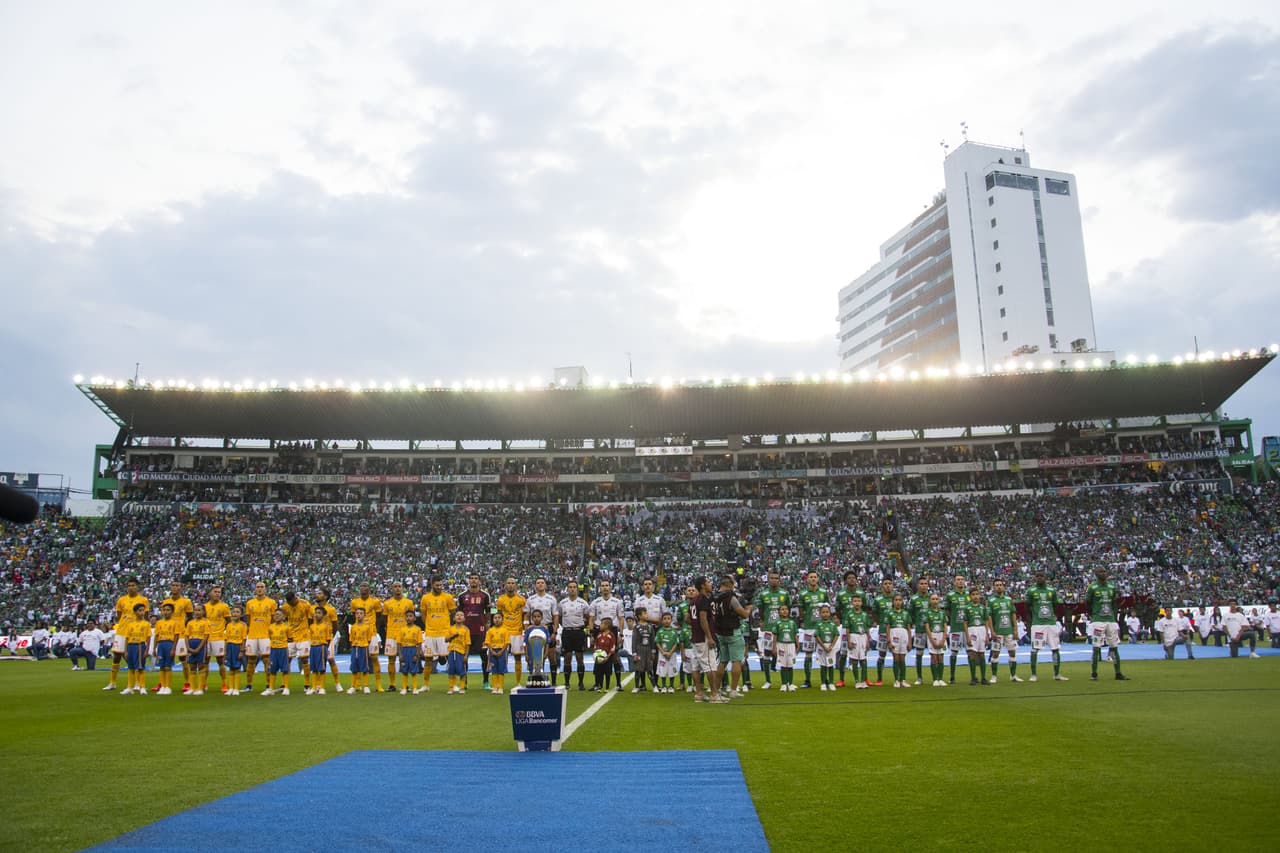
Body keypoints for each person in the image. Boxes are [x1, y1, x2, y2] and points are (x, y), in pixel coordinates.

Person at [103, 576, 148, 692]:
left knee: (135, 657)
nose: (131, 588)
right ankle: (112, 682)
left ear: (137, 587)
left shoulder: (143, 600)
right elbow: (119, 616)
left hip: (136, 633)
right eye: (129, 586)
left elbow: (145, 617)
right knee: (117, 656)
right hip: (122, 631)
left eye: (133, 585)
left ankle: (137, 683)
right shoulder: (121, 600)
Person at [711, 575, 753, 699]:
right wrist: (749, 610)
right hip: (732, 632)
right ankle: (733, 690)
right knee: (736, 661)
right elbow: (744, 614)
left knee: (722, 661)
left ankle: (716, 690)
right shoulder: (730, 597)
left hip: (720, 632)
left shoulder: (714, 597)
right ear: (729, 585)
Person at [1085, 569, 1129, 681]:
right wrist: (1092, 615)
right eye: (1101, 572)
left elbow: (1114, 602)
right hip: (1098, 621)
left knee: (1114, 647)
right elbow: (1087, 603)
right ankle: (1094, 673)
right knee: (1096, 647)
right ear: (1096, 574)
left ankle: (1118, 673)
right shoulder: (1092, 587)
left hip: (1110, 620)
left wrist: (1113, 615)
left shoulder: (1111, 587)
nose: (1103, 573)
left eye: (1105, 572)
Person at [1025, 570, 1067, 682]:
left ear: (1046, 577)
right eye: (1037, 576)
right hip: (1038, 624)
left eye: (1041, 576)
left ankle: (1057, 674)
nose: (1039, 578)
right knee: (1035, 649)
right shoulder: (1031, 591)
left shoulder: (1051, 591)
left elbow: (1055, 605)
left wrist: (1052, 616)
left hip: (1051, 624)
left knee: (1055, 648)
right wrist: (1032, 620)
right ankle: (1033, 674)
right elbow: (1027, 607)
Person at [754, 570, 791, 690]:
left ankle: (787, 682)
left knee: (785, 655)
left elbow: (788, 609)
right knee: (767, 654)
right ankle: (768, 681)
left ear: (779, 580)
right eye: (772, 578)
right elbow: (760, 610)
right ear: (768, 580)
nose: (774, 580)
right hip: (768, 629)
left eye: (776, 578)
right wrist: (762, 621)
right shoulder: (763, 594)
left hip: (782, 629)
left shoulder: (785, 594)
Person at [420, 576, 456, 691]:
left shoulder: (448, 597)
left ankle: (452, 685)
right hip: (430, 633)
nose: (439, 587)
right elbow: (423, 614)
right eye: (437, 585)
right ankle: (425, 685)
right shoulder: (425, 598)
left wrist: (449, 626)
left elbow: (453, 612)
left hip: (444, 632)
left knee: (450, 658)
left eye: (441, 585)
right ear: (432, 585)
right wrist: (429, 625)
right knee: (428, 659)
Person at [458, 574, 493, 690]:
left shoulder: (485, 595)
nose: (473, 580)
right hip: (466, 631)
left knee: (484, 656)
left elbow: (488, 613)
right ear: (469, 580)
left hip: (480, 630)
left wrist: (487, 625)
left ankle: (486, 682)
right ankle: (464, 682)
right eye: (471, 578)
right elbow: (459, 613)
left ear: (479, 581)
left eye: (476, 578)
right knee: (464, 657)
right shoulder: (462, 596)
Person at [243, 581, 278, 694]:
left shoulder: (271, 602)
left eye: (262, 587)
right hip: (252, 635)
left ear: (265, 589)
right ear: (255, 589)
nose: (259, 589)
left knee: (267, 660)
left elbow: (274, 619)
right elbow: (248, 619)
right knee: (251, 660)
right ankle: (249, 685)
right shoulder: (250, 603)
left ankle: (268, 685)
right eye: (258, 587)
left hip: (265, 635)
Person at [796, 571, 828, 689]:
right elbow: (801, 610)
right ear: (807, 579)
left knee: (824, 653)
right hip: (809, 628)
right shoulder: (803, 594)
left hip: (822, 627)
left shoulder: (824, 592)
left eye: (815, 577)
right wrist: (804, 621)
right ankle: (807, 680)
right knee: (808, 654)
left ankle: (825, 680)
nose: (813, 579)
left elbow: (827, 608)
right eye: (811, 577)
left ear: (818, 579)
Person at [160, 581, 194, 692]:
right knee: (164, 659)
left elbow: (190, 617)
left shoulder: (186, 601)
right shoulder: (166, 602)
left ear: (181, 587)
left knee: (183, 658)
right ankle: (162, 683)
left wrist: (183, 626)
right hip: (167, 634)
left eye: (177, 585)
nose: (175, 587)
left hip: (180, 633)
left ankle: (187, 682)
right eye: (173, 585)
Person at [556, 580, 590, 691]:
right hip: (567, 632)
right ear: (567, 589)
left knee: (580, 657)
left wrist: (582, 626)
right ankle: (567, 683)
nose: (572, 589)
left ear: (577, 589)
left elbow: (588, 617)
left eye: (574, 587)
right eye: (570, 587)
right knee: (567, 657)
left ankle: (581, 683)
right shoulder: (562, 603)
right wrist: (566, 625)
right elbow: (559, 618)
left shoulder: (583, 603)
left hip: (579, 632)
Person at [689, 578, 718, 702]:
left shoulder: (693, 600)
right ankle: (714, 694)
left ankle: (699, 694)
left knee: (695, 667)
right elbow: (703, 619)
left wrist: (695, 626)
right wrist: (710, 637)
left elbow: (687, 618)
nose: (710, 584)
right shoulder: (704, 599)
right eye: (708, 582)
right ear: (702, 585)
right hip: (704, 637)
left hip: (695, 637)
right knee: (710, 666)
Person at [350, 583, 384, 691]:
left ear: (369, 589)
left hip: (371, 633)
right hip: (359, 634)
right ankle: (357, 684)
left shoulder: (375, 601)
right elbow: (353, 615)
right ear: (359, 588)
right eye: (362, 586)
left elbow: (379, 616)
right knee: (357, 658)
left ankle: (378, 684)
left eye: (366, 586)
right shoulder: (354, 602)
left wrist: (374, 628)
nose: (364, 588)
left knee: (374, 658)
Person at [382, 582, 413, 693]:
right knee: (391, 659)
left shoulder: (409, 602)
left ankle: (405, 684)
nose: (397, 588)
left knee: (405, 659)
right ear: (392, 589)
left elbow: (411, 617)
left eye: (399, 586)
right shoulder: (387, 603)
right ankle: (392, 684)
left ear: (402, 588)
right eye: (395, 587)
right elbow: (385, 618)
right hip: (391, 634)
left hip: (405, 634)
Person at [987, 580, 1021, 683]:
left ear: (1003, 587)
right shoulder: (991, 600)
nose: (999, 587)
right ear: (994, 588)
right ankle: (994, 676)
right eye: (997, 585)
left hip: (1009, 631)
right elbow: (989, 617)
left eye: (1000, 585)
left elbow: (1013, 614)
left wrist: (1015, 630)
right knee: (995, 653)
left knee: (1012, 652)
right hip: (998, 632)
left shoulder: (1008, 599)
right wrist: (992, 631)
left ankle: (1013, 675)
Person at [281, 591, 314, 695]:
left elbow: (311, 619)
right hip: (291, 636)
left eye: (292, 602)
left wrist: (308, 630)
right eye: (289, 603)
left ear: (295, 598)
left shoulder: (305, 604)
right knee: (287, 660)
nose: (291, 604)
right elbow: (284, 619)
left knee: (304, 659)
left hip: (303, 636)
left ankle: (307, 684)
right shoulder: (285, 607)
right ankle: (284, 685)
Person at [496, 577, 527, 684]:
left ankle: (518, 683)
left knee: (517, 657)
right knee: (500, 657)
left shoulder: (521, 599)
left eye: (513, 583)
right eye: (508, 583)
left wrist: (524, 628)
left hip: (517, 631)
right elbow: (499, 615)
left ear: (515, 585)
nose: (510, 585)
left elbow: (525, 615)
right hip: (504, 631)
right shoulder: (501, 599)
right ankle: (499, 684)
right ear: (505, 585)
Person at [312, 587, 343, 693]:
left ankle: (337, 683)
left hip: (327, 638)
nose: (317, 595)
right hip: (316, 639)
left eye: (319, 593)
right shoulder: (313, 608)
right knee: (317, 661)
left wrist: (330, 636)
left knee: (330, 659)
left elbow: (335, 625)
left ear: (325, 596)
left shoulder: (331, 609)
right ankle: (317, 685)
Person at [204, 586, 232, 694]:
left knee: (220, 661)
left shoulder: (224, 606)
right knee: (205, 662)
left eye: (219, 592)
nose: (217, 594)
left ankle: (224, 683)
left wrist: (226, 633)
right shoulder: (205, 607)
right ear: (210, 593)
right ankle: (203, 683)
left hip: (219, 637)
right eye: (215, 591)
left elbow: (229, 621)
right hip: (206, 637)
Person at [120, 603, 150, 696]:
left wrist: (147, 650)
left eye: (143, 610)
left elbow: (148, 638)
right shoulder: (130, 624)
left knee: (140, 667)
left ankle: (142, 687)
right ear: (135, 612)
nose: (142, 612)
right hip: (131, 646)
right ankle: (130, 687)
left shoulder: (146, 624)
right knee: (131, 667)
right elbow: (127, 638)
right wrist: (125, 651)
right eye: (140, 610)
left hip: (140, 646)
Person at [871, 578, 896, 687]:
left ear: (892, 585)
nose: (888, 585)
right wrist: (879, 623)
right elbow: (874, 614)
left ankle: (898, 679)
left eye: (890, 583)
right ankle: (879, 679)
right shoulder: (878, 600)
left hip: (895, 631)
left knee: (897, 655)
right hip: (882, 631)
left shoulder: (896, 598)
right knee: (882, 654)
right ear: (882, 586)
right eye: (885, 584)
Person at [884, 593, 913, 688]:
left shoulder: (906, 613)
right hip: (894, 634)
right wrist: (888, 640)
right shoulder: (889, 613)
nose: (898, 602)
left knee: (902, 658)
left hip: (904, 635)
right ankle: (896, 680)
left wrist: (910, 641)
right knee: (896, 657)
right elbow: (887, 627)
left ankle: (903, 679)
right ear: (893, 602)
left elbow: (909, 628)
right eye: (896, 600)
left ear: (902, 602)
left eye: (900, 600)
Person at [963, 590, 991, 686]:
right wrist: (967, 636)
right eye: (973, 594)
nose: (975, 596)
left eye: (977, 594)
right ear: (970, 596)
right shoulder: (967, 608)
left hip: (982, 629)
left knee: (982, 654)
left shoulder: (983, 608)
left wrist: (987, 635)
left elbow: (986, 621)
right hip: (972, 630)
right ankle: (973, 678)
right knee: (972, 654)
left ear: (979, 596)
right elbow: (965, 623)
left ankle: (983, 678)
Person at [944, 575, 968, 685]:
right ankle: (952, 676)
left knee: (971, 652)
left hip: (968, 629)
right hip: (955, 628)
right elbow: (947, 611)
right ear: (954, 582)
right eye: (958, 580)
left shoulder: (969, 594)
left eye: (962, 580)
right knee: (954, 652)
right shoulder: (950, 595)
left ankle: (973, 677)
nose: (960, 581)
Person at [770, 603, 799, 692]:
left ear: (789, 611)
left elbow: (795, 635)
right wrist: (774, 647)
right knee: (783, 665)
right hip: (781, 644)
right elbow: (775, 636)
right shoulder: (777, 623)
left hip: (791, 645)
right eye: (782, 609)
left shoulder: (792, 623)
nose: (784, 611)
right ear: (779, 612)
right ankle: (783, 684)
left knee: (790, 665)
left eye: (786, 609)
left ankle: (790, 684)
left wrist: (798, 644)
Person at [907, 578, 932, 686]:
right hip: (920, 630)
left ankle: (936, 678)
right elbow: (909, 614)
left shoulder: (932, 598)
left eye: (925, 583)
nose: (924, 585)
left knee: (934, 654)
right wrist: (913, 623)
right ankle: (919, 677)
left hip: (932, 631)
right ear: (918, 586)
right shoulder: (913, 599)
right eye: (921, 584)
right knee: (919, 653)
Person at [152, 603, 179, 695]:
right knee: (161, 666)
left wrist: (173, 649)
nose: (166, 612)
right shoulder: (159, 623)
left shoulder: (174, 623)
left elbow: (176, 636)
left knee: (168, 666)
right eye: (164, 610)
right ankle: (162, 686)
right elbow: (156, 636)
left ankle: (167, 686)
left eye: (168, 610)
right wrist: (154, 648)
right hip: (161, 644)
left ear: (172, 611)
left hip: (169, 644)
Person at [263, 609, 291, 696]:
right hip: (273, 650)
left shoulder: (286, 627)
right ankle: (271, 688)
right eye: (275, 614)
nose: (276, 616)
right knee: (272, 669)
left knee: (285, 669)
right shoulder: (270, 627)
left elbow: (290, 638)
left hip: (283, 649)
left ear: (283, 617)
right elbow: (270, 637)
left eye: (279, 614)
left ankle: (286, 688)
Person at [813, 604, 840, 691]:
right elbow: (817, 636)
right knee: (823, 665)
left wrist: (831, 646)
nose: (825, 614)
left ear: (830, 613)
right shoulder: (818, 624)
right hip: (822, 647)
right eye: (823, 612)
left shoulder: (832, 624)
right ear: (820, 614)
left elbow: (836, 635)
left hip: (830, 646)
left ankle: (831, 683)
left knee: (831, 665)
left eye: (827, 612)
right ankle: (823, 683)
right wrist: (823, 646)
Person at [398, 608, 425, 695]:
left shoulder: (417, 629)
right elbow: (399, 643)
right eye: (407, 616)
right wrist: (400, 654)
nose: (409, 618)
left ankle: (414, 688)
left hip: (413, 649)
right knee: (404, 670)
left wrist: (417, 654)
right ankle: (404, 688)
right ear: (405, 618)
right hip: (404, 650)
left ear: (414, 618)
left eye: (411, 616)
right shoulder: (402, 629)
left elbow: (419, 642)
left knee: (414, 671)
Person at [185, 604, 210, 695]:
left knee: (201, 666)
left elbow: (206, 636)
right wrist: (188, 647)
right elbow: (186, 636)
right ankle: (192, 688)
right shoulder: (190, 623)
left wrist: (199, 648)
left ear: (203, 612)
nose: (197, 612)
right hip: (191, 643)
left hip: (201, 645)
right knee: (192, 666)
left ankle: (200, 688)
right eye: (195, 610)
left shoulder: (206, 622)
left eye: (199, 610)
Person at [924, 593, 949, 687]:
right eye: (933, 599)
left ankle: (940, 679)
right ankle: (935, 679)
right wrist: (931, 640)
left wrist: (943, 639)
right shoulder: (927, 613)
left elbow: (945, 626)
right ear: (930, 601)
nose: (935, 601)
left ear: (939, 600)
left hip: (941, 635)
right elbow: (927, 627)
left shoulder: (942, 613)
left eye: (936, 599)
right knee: (934, 657)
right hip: (933, 635)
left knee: (941, 657)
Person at [307, 607, 333, 694]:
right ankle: (314, 687)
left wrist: (325, 647)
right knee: (314, 668)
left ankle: (322, 687)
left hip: (321, 647)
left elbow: (328, 639)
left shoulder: (326, 626)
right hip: (313, 647)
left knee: (321, 668)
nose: (316, 615)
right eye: (316, 613)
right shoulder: (312, 626)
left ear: (323, 615)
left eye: (319, 613)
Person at [631, 606, 656, 692]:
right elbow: (634, 641)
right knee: (638, 669)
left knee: (650, 669)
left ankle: (654, 687)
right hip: (639, 650)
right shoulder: (636, 627)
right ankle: (636, 686)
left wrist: (653, 651)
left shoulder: (650, 626)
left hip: (648, 650)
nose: (646, 615)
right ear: (639, 616)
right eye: (644, 613)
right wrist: (634, 653)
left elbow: (652, 640)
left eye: (646, 613)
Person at [654, 611, 681, 694]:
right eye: (665, 619)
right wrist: (663, 652)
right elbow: (657, 642)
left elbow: (676, 643)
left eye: (668, 619)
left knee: (671, 670)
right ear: (662, 620)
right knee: (663, 670)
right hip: (662, 655)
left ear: (671, 620)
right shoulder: (660, 631)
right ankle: (664, 686)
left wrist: (670, 652)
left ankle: (671, 686)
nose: (666, 620)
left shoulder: (674, 631)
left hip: (672, 655)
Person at [347, 607, 372, 694]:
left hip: (363, 648)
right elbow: (351, 639)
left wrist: (365, 646)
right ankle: (353, 686)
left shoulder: (367, 627)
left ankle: (366, 686)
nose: (359, 615)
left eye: (361, 613)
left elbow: (369, 639)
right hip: (355, 647)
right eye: (357, 613)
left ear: (364, 615)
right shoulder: (353, 627)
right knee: (354, 667)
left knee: (364, 667)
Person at [446, 609, 471, 694]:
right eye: (457, 615)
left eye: (461, 615)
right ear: (454, 618)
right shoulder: (450, 628)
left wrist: (466, 655)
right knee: (451, 671)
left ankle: (462, 687)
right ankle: (451, 687)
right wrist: (452, 636)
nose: (459, 616)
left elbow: (468, 644)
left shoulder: (466, 629)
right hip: (451, 651)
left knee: (462, 671)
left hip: (461, 653)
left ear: (464, 619)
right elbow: (446, 640)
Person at [485, 612, 510, 695]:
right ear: (493, 620)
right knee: (494, 669)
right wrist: (492, 651)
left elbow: (507, 643)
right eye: (495, 618)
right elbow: (488, 642)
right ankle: (495, 687)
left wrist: (501, 651)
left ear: (502, 619)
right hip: (492, 651)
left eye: (499, 617)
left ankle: (500, 687)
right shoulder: (490, 631)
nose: (497, 619)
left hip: (502, 651)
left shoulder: (505, 630)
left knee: (501, 669)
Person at [224, 606, 247, 695]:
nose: (235, 614)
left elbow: (244, 639)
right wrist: (225, 651)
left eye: (237, 612)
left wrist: (241, 651)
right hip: (230, 646)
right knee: (231, 668)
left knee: (237, 668)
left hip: (237, 646)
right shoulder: (229, 625)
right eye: (233, 612)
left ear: (241, 614)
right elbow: (226, 639)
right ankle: (230, 688)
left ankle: (236, 688)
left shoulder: (243, 625)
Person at [592, 617, 619, 692]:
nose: (600, 625)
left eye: (601, 624)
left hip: (607, 657)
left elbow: (612, 646)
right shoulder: (599, 635)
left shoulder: (611, 635)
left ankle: (607, 687)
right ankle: (599, 686)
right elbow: (596, 644)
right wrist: (596, 653)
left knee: (607, 672)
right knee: (599, 672)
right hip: (599, 657)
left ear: (606, 626)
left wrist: (608, 656)